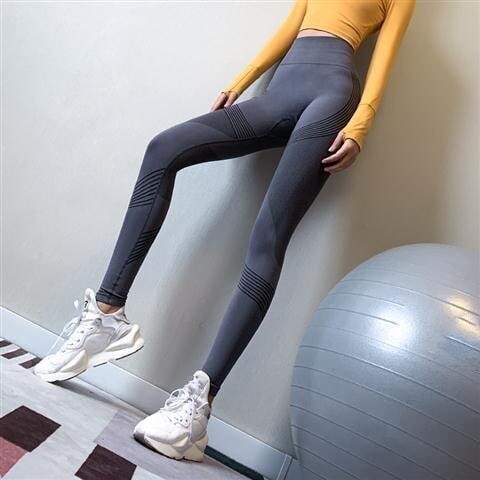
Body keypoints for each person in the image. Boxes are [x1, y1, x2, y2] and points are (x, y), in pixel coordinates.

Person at [34, 0, 415, 462]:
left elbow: (386, 52)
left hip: (332, 99)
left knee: (268, 236)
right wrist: (240, 81)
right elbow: (293, 25)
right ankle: (108, 314)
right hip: (281, 90)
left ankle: (199, 405)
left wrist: (362, 124)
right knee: (164, 149)